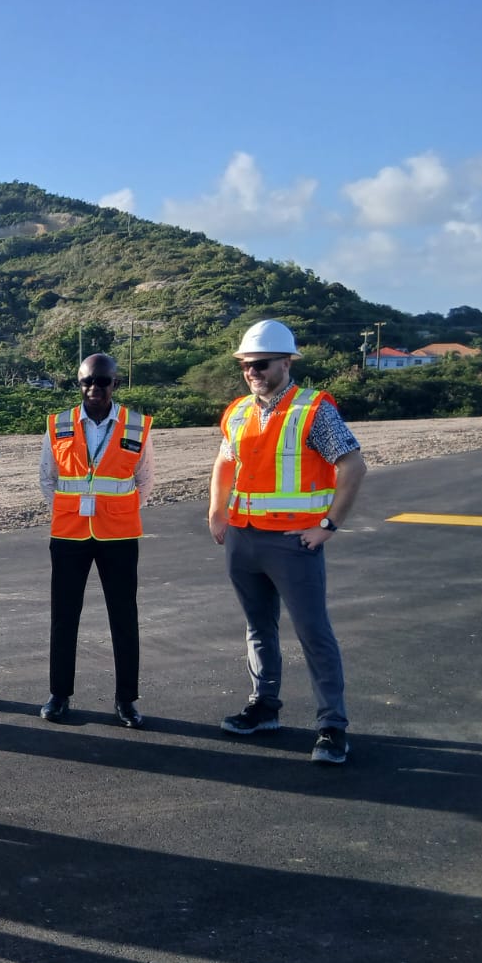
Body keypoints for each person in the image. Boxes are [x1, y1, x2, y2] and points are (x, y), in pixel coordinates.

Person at [207, 319, 367, 765]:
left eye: (260, 364)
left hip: (294, 543)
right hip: (243, 538)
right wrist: (217, 512)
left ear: (286, 363)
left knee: (313, 632)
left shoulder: (313, 410)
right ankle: (264, 707)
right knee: (258, 627)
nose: (252, 372)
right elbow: (224, 461)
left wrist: (329, 526)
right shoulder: (238, 411)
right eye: (245, 365)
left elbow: (353, 465)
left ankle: (332, 726)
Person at [38, 353, 153, 728]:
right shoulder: (59, 424)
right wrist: (69, 509)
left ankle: (126, 700)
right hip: (69, 534)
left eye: (102, 381)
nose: (94, 388)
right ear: (79, 384)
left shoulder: (135, 425)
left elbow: (145, 480)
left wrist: (116, 509)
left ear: (114, 383)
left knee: (124, 617)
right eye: (87, 381)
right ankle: (59, 695)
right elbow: (47, 478)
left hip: (119, 534)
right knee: (63, 616)